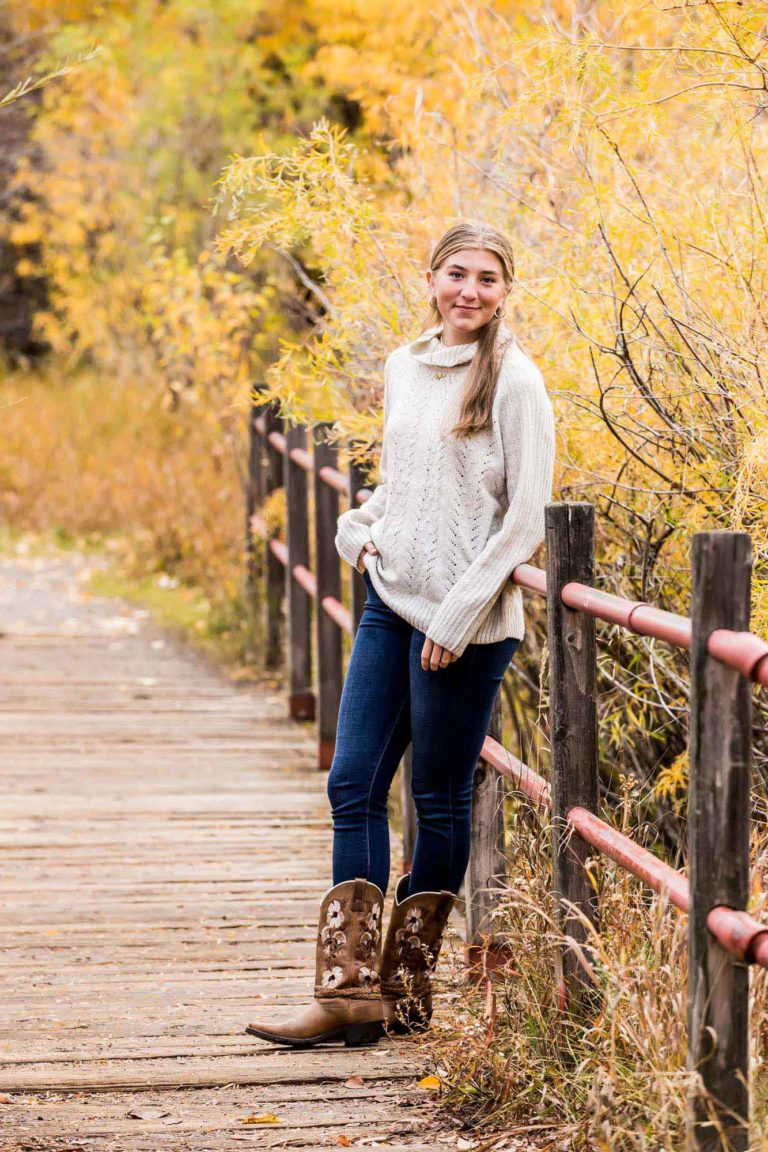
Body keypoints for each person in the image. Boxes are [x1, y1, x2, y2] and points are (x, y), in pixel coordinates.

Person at [246, 220, 556, 1048]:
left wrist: (459, 616)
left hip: (466, 624)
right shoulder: (405, 366)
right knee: (352, 782)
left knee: (436, 798)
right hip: (391, 603)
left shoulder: (516, 383)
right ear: (431, 278)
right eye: (457, 273)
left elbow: (525, 516)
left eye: (488, 278)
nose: (470, 291)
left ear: (504, 291)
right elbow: (404, 483)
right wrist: (359, 527)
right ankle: (349, 992)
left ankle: (408, 987)